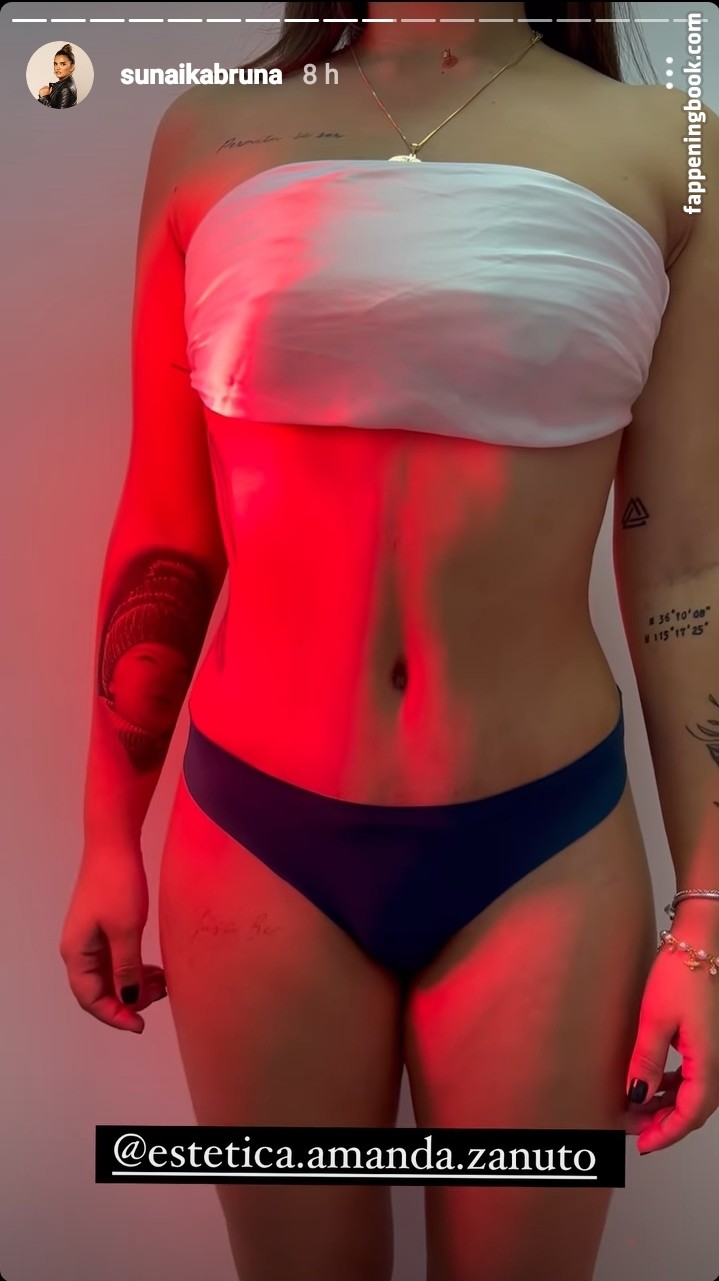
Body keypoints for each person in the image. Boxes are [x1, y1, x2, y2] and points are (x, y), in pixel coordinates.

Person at [59, 3, 719, 1279]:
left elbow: (685, 562)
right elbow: (166, 524)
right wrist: (104, 837)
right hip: (257, 837)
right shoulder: (206, 133)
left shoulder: (670, 147)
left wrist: (707, 912)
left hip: (541, 851)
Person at [38, 43, 77, 109]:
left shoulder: (66, 89)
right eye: (55, 64)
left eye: (63, 64)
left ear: (71, 67)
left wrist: (44, 97)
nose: (57, 68)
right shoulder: (62, 84)